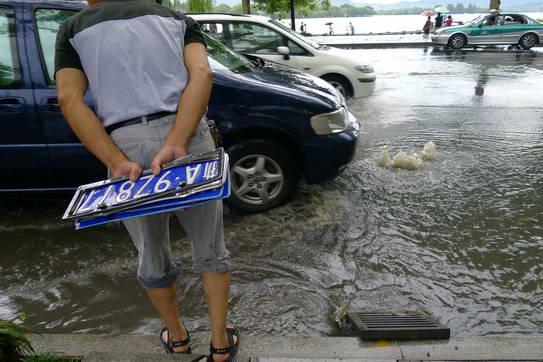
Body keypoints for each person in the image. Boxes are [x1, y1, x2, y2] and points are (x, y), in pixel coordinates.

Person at [54, 0, 239, 361]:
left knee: (151, 251)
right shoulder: (175, 18)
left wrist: (116, 161)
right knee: (211, 247)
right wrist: (176, 142)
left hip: (126, 147)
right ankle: (219, 342)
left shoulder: (73, 29)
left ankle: (179, 336)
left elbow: (68, 98)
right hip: (189, 139)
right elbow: (202, 75)